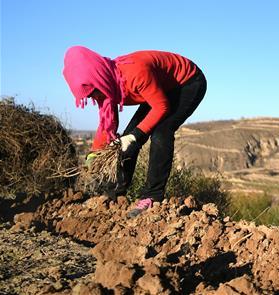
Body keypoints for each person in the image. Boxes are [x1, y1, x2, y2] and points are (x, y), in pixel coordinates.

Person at [62, 46, 206, 217]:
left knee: (161, 133)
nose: (95, 98)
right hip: (160, 87)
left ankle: (152, 197)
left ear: (97, 80)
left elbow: (161, 107)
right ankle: (117, 193)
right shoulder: (106, 83)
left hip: (187, 82)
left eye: (94, 93)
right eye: (90, 97)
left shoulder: (134, 74)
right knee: (126, 142)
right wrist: (94, 153)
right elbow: (107, 124)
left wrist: (135, 135)